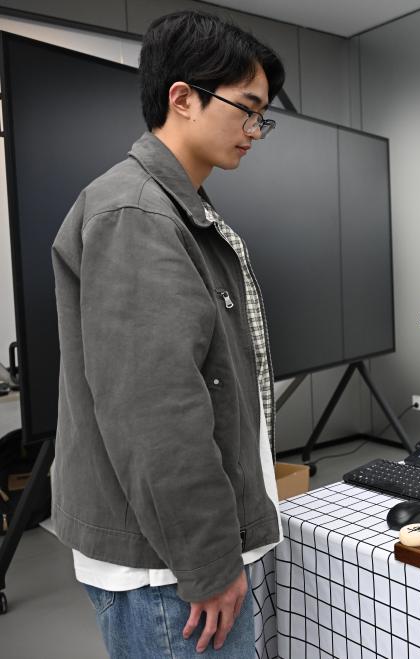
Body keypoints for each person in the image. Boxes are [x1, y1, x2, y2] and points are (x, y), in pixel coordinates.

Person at [50, 10, 285, 657]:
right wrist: (207, 560)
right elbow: (155, 410)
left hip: (174, 553)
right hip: (168, 570)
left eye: (262, 117)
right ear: (182, 97)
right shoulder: (138, 213)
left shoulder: (174, 205)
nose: (254, 131)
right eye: (247, 110)